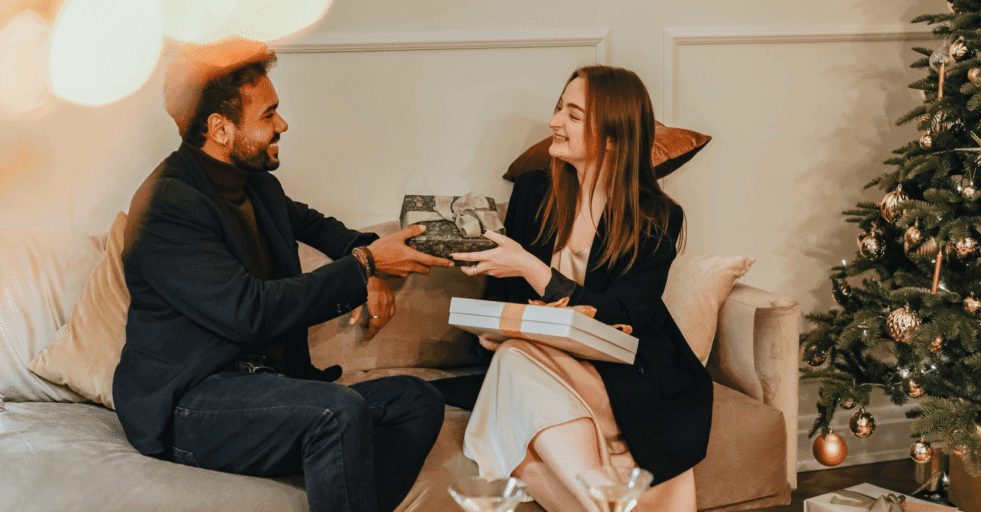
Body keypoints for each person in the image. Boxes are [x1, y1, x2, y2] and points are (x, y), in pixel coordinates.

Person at [112, 38, 454, 512]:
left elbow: (324, 230)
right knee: (337, 412)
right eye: (268, 115)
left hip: (270, 387)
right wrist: (366, 266)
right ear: (220, 128)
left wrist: (375, 260)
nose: (283, 125)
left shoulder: (258, 186)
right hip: (192, 403)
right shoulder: (165, 206)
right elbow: (249, 312)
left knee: (417, 399)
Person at [449, 65, 713, 512]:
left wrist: (532, 268)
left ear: (612, 136)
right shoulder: (533, 192)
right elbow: (501, 300)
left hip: (622, 373)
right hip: (539, 362)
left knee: (513, 374)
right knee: (513, 362)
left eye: (573, 115)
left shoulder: (656, 215)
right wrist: (494, 330)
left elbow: (624, 315)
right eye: (559, 108)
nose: (554, 122)